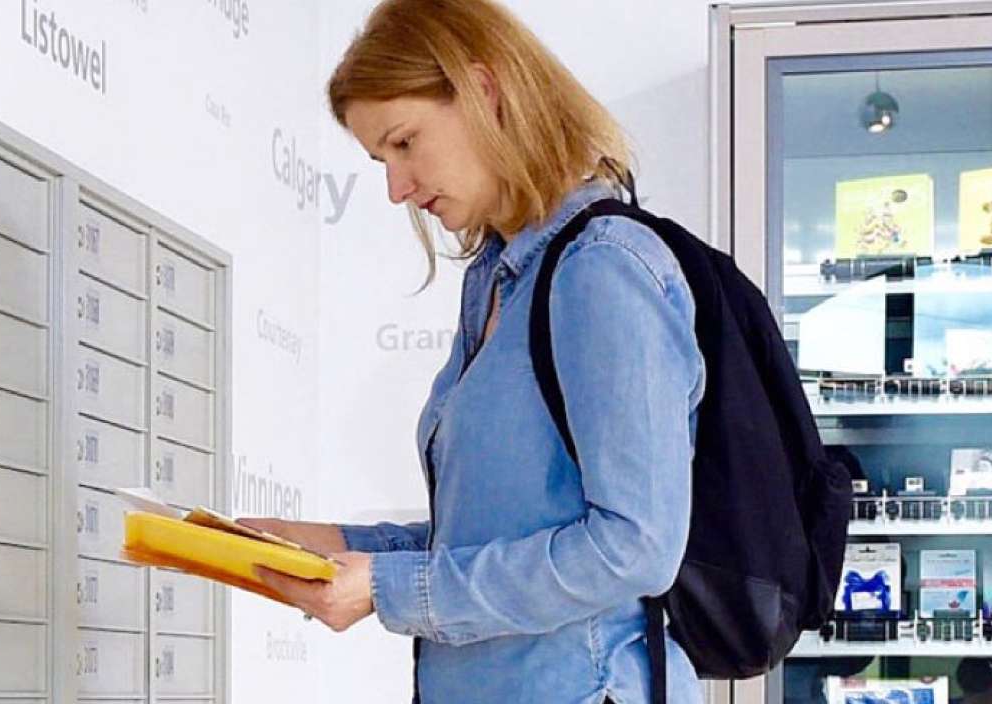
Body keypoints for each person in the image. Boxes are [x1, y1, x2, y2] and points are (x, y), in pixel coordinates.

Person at [240, 0, 705, 701]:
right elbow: (497, 534)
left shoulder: (602, 267)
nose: (397, 187)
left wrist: (388, 590)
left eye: (404, 142)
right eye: (379, 160)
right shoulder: (496, 281)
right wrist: (329, 546)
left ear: (485, 92)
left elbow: (634, 549)